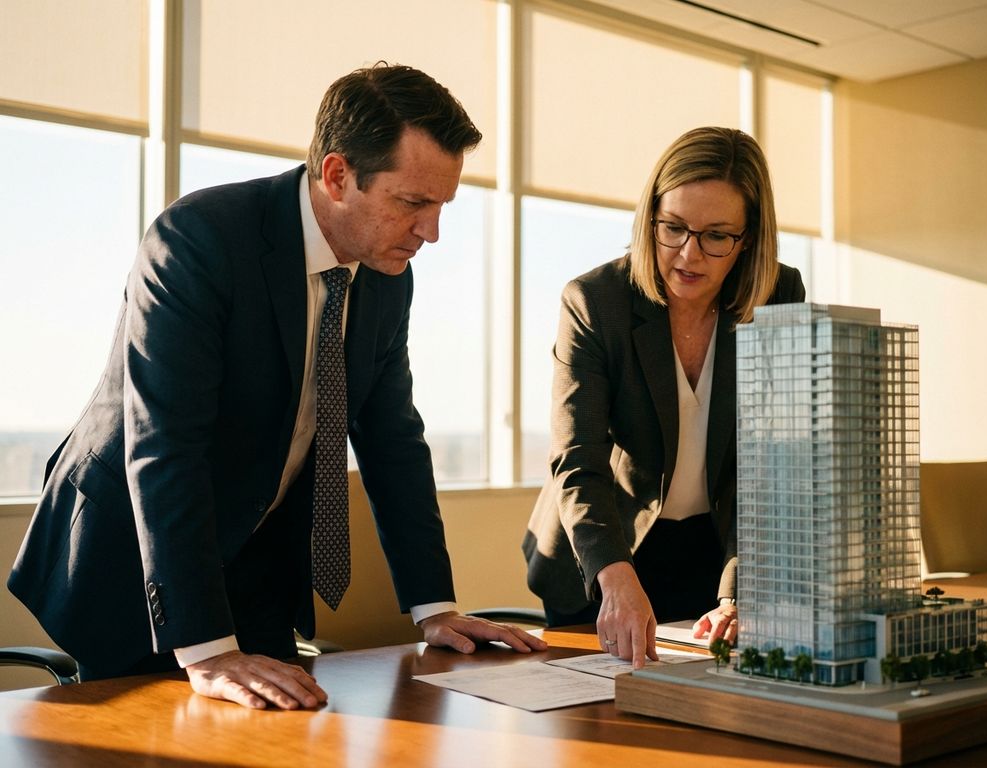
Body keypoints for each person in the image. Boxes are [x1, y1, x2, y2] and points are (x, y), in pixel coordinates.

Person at [8, 62, 545, 710]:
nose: (432, 231)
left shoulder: (386, 278)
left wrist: (434, 608)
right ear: (338, 175)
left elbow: (392, 438)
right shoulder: (198, 241)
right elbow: (165, 449)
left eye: (442, 205)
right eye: (413, 203)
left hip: (257, 557)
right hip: (133, 550)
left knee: (287, 727)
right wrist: (207, 651)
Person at [522, 126, 805, 668]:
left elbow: (769, 465)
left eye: (717, 235)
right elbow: (577, 458)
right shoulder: (596, 302)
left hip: (713, 554)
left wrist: (740, 590)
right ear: (649, 215)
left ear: (749, 240)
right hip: (602, 555)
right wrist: (614, 574)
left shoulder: (777, 296)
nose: (687, 254)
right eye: (672, 227)